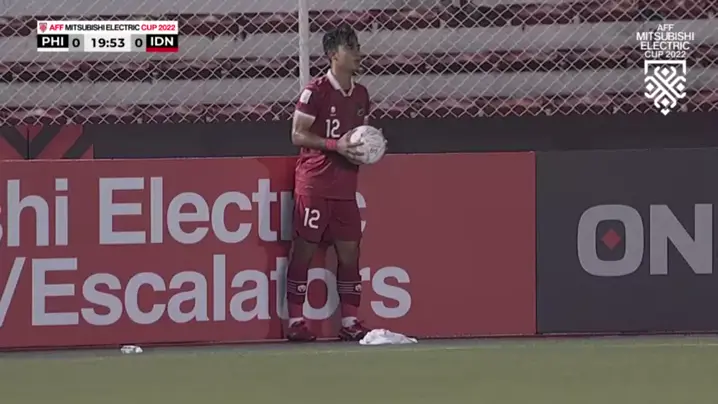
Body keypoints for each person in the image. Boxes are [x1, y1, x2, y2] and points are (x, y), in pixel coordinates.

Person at [286, 24, 377, 342]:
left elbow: (358, 138)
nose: (357, 53)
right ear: (332, 54)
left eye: (357, 47)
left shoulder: (362, 94)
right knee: (304, 251)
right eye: (350, 48)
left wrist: (367, 150)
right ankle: (296, 321)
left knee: (350, 253)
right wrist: (335, 145)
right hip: (315, 184)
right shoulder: (316, 91)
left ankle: (350, 322)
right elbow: (297, 134)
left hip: (345, 188)